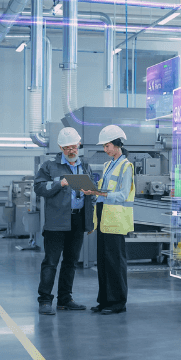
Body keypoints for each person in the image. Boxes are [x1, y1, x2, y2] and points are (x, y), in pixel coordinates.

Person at [34, 127, 95, 315]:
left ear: (79, 146)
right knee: (51, 262)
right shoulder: (49, 167)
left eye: (74, 147)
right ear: (60, 147)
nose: (71, 150)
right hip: (56, 222)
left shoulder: (84, 165)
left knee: (70, 261)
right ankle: (45, 300)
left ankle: (65, 299)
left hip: (77, 219)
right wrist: (59, 183)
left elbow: (90, 191)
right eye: (67, 147)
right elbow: (39, 188)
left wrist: (90, 199)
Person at [82, 125, 134, 315]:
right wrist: (92, 190)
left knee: (115, 262)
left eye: (108, 146)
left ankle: (118, 302)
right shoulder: (107, 165)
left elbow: (122, 195)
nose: (105, 149)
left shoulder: (126, 166)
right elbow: (103, 192)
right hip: (104, 217)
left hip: (116, 219)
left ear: (118, 144)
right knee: (103, 261)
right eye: (104, 146)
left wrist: (98, 192)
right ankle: (104, 301)